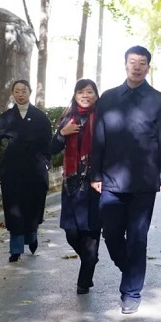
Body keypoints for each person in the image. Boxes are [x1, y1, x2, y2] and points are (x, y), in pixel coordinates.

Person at [90, 45, 161, 315]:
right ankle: (131, 270)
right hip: (111, 180)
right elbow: (98, 138)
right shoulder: (108, 98)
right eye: (132, 62)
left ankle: (131, 292)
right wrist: (94, 174)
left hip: (144, 181)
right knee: (111, 234)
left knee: (138, 238)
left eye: (142, 63)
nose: (137, 67)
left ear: (148, 67)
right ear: (125, 64)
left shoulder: (159, 101)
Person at [0, 80, 52, 263]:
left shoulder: (40, 117)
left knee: (32, 206)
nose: (20, 94)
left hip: (35, 169)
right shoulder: (7, 116)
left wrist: (45, 163)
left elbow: (48, 144)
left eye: (23, 90)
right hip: (12, 168)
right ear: (12, 94)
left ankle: (32, 237)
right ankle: (15, 249)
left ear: (29, 92)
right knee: (14, 208)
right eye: (17, 91)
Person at [50, 79, 101, 294]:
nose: (85, 95)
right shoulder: (67, 119)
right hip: (71, 185)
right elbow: (51, 149)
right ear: (75, 95)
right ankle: (90, 259)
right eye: (81, 92)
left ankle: (84, 281)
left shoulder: (103, 118)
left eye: (89, 92)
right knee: (71, 233)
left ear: (96, 95)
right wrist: (63, 133)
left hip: (96, 185)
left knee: (91, 234)